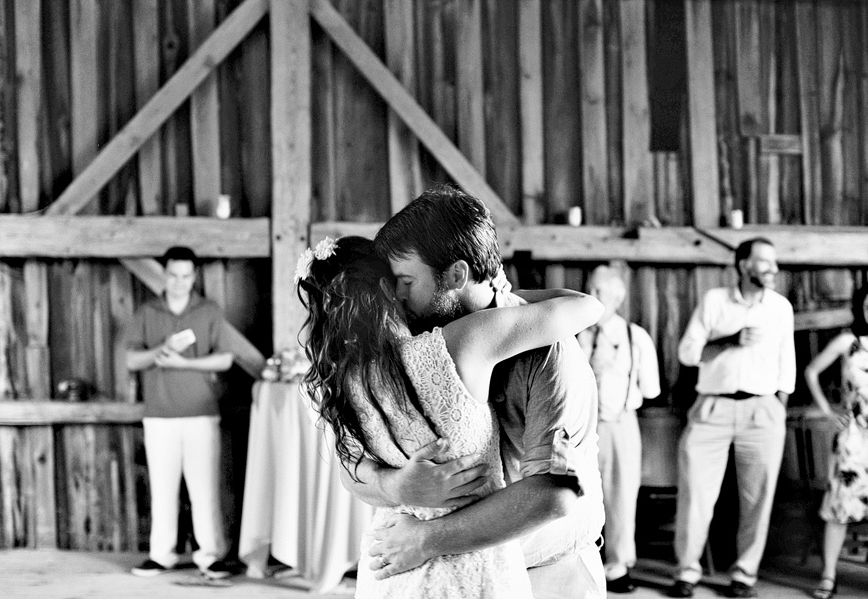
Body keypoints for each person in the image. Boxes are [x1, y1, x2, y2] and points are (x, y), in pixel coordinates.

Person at [296, 234, 603, 598]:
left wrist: (414, 519)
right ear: (385, 287)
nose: (406, 293)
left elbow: (351, 469)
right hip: (475, 569)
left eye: (409, 281)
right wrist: (395, 486)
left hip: (400, 569)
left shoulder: (332, 383)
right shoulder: (462, 341)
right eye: (401, 283)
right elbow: (585, 306)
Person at [668, 237, 795, 599]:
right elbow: (688, 352)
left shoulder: (780, 308)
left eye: (773, 261)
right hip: (712, 408)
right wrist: (729, 339)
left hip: (763, 411)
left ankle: (744, 576)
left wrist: (778, 405)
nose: (771, 267)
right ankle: (686, 574)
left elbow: (788, 363)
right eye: (763, 261)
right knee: (695, 495)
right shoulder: (714, 302)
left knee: (758, 499)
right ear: (742, 265)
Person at [125, 246, 234, 579]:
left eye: (186, 275)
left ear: (194, 276)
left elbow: (225, 359)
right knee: (162, 489)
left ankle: (211, 556)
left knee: (204, 490)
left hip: (201, 414)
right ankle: (161, 556)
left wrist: (184, 363)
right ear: (165, 274)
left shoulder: (209, 310)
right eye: (173, 275)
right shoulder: (147, 311)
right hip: (159, 414)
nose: (179, 282)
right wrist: (162, 349)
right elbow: (131, 360)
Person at [578, 265, 661, 593]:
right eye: (590, 289)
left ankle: (618, 566)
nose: (592, 297)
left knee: (621, 496)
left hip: (620, 423)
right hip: (580, 426)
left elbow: (651, 389)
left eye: (599, 291)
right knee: (577, 494)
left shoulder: (635, 337)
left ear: (618, 296)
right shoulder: (576, 335)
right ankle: (580, 561)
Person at [803, 283, 868, 599]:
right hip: (854, 438)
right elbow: (811, 371)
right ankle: (828, 576)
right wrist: (829, 412)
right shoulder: (849, 342)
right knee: (840, 506)